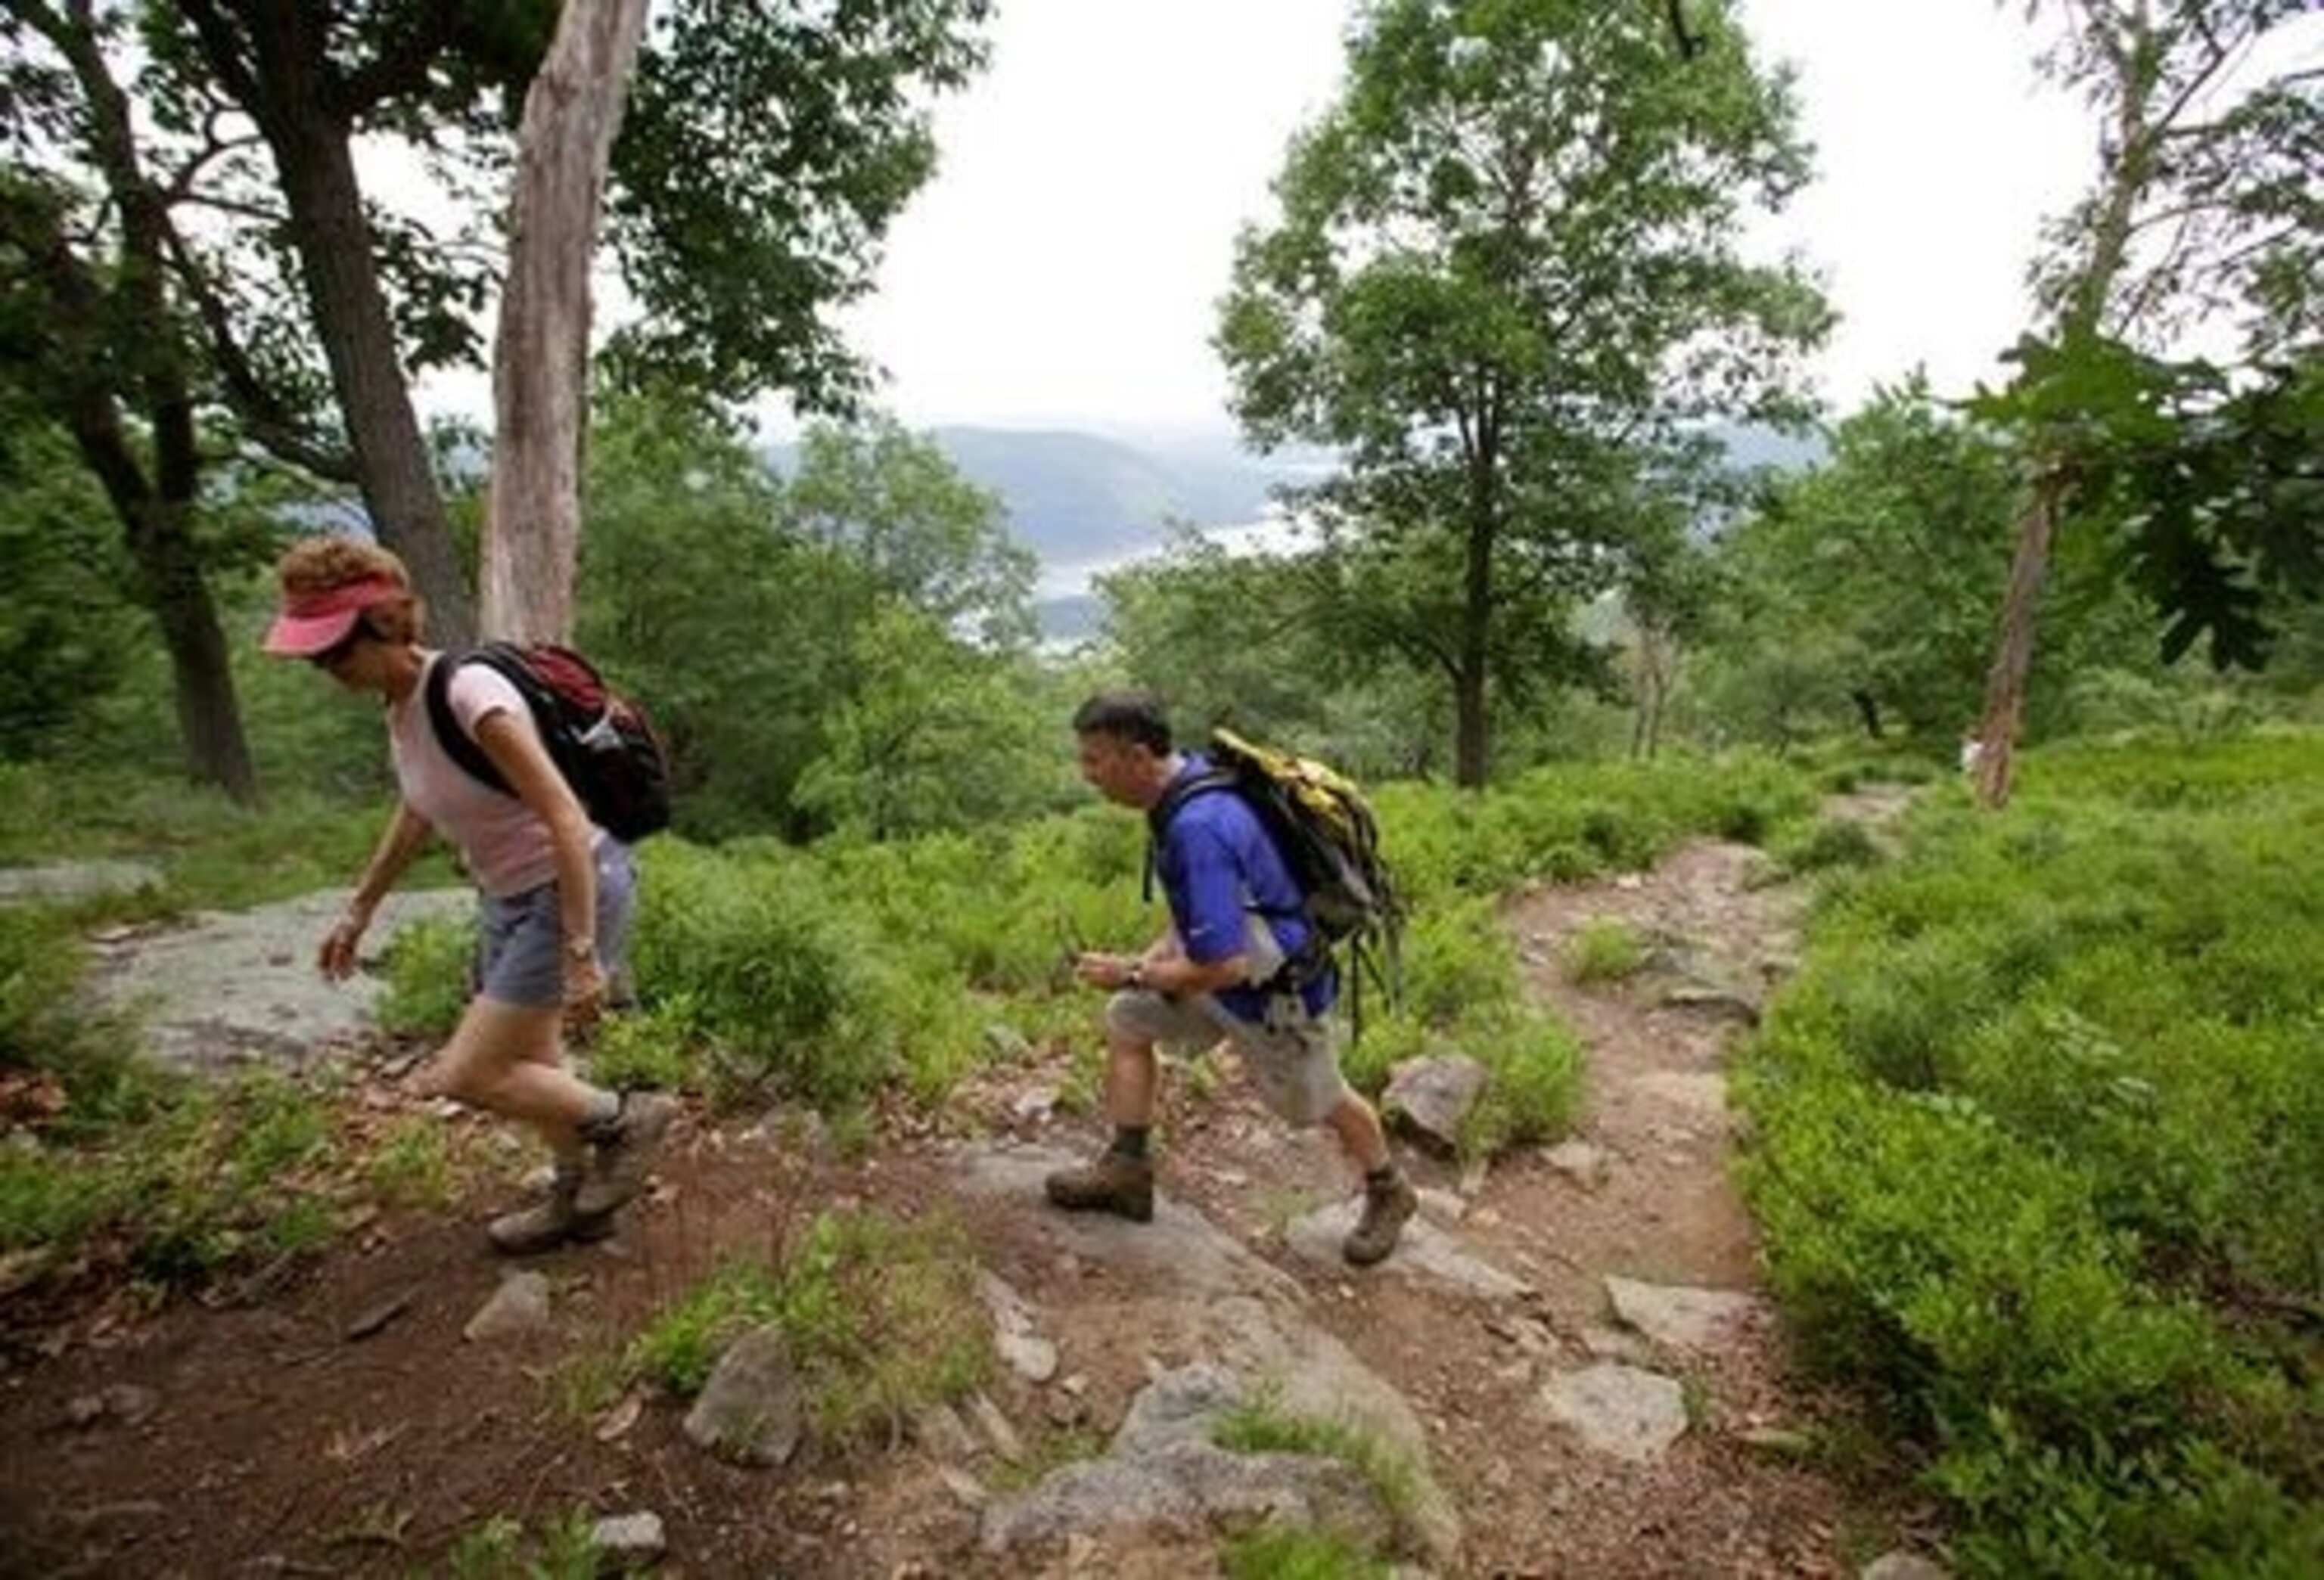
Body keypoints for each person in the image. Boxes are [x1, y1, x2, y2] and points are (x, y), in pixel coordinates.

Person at [262, 535, 675, 1254]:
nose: (326, 669)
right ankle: (575, 1199)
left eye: (334, 650)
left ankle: (629, 1120)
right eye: (315, 657)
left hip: (571, 885)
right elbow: (418, 809)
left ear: (386, 623)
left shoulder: (470, 694)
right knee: (535, 1062)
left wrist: (583, 953)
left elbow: (565, 816)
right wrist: (360, 909)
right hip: (508, 896)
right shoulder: (400, 707)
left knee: (471, 1072)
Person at [1047, 691, 1418, 1266]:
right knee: (1128, 1019)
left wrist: (1134, 970)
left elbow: (1226, 965)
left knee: (1317, 1102)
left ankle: (1390, 1188)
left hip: (1273, 998)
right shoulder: (1186, 786)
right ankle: (1127, 1169)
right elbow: (1201, 906)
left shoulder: (1199, 825)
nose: (1087, 773)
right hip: (1222, 977)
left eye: (1095, 759)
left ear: (1138, 756)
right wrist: (1151, 963)